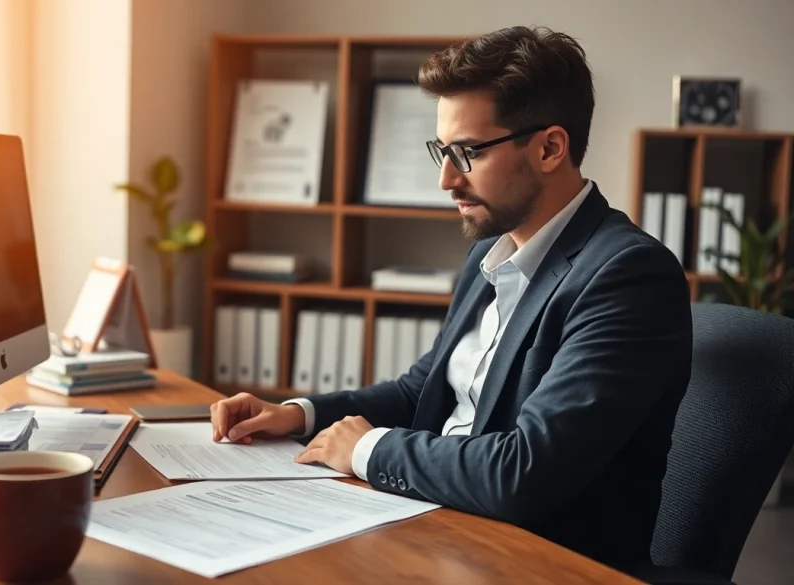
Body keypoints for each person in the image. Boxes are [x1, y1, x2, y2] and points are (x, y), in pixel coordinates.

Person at [210, 25, 692, 570]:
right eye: (442, 150)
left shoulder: (627, 275)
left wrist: (367, 450)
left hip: (534, 560)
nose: (445, 180)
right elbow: (427, 390)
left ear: (550, 148)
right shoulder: (489, 251)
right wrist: (301, 415)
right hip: (436, 522)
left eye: (467, 153)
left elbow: (525, 473)